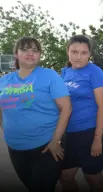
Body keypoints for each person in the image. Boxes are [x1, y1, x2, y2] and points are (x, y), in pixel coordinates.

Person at [0, 36, 71, 192]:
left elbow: (66, 109)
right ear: (16, 54)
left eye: (35, 50)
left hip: (45, 147)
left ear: (40, 54)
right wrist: (6, 132)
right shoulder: (4, 81)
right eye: (25, 50)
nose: (30, 53)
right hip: (15, 147)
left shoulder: (50, 76)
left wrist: (55, 141)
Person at [60, 35, 103, 192]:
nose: (78, 56)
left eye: (83, 53)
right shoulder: (65, 72)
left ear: (89, 54)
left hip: (89, 132)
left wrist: (97, 139)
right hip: (69, 133)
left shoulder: (95, 72)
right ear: (68, 51)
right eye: (74, 52)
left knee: (92, 178)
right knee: (65, 177)